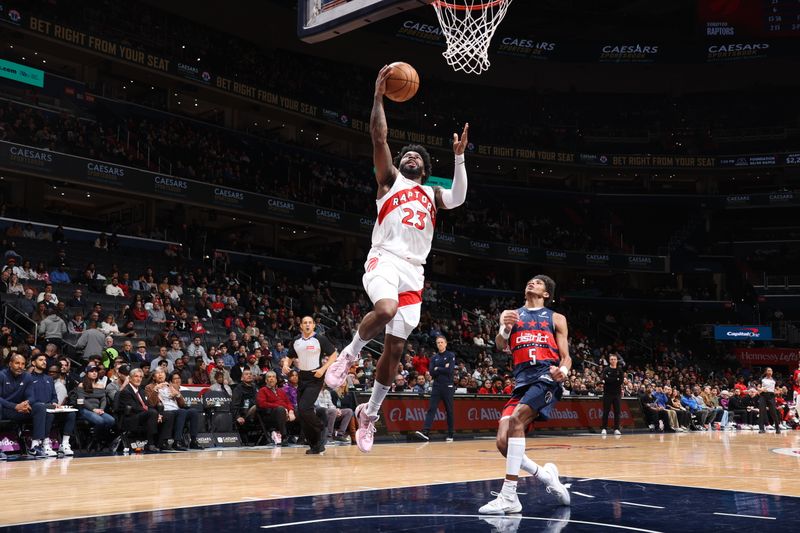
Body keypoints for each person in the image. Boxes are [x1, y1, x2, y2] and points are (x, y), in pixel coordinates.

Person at [324, 65, 470, 454]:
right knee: (385, 309)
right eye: (405, 155)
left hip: (414, 273)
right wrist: (377, 97)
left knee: (395, 351)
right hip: (384, 258)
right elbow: (379, 135)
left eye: (415, 158)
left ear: (425, 168)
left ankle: (369, 414)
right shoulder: (389, 180)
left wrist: (459, 160)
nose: (409, 158)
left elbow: (458, 198)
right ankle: (349, 356)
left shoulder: (434, 193)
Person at [479, 276, 571, 514]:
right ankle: (547, 477)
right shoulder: (512, 314)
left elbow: (566, 356)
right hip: (521, 382)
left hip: (546, 377)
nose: (532, 283)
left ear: (547, 293)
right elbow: (500, 345)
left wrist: (563, 371)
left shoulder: (556, 318)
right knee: (502, 442)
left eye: (538, 282)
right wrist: (503, 328)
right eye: (530, 281)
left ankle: (509, 495)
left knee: (517, 419)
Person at [287, 316, 339, 455]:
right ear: (301, 326)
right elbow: (290, 356)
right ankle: (316, 445)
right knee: (302, 414)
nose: (308, 325)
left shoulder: (320, 339)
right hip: (302, 377)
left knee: (305, 407)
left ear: (314, 325)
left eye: (310, 322)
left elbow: (334, 355)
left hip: (316, 377)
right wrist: (286, 365)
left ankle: (321, 426)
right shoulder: (296, 341)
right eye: (305, 323)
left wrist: (323, 369)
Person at [0, 354, 54, 458]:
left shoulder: (27, 376)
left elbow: (31, 397)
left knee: (39, 406)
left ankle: (35, 446)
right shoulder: (2, 375)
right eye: (17, 363)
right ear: (10, 364)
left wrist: (26, 403)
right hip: (4, 409)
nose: (20, 366)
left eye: (23, 364)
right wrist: (15, 406)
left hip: (20, 410)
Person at [29, 352, 76, 455]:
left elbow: (54, 396)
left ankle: (64, 444)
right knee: (48, 413)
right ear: (33, 362)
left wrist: (55, 402)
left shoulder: (49, 379)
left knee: (71, 414)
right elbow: (30, 398)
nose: (44, 362)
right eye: (41, 360)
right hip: (36, 409)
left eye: (45, 360)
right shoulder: (28, 378)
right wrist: (50, 405)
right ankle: (45, 444)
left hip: (50, 407)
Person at [415, 335, 455, 442]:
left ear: (446, 343)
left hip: (448, 386)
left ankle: (450, 434)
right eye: (438, 343)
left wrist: (438, 368)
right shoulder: (434, 358)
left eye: (442, 342)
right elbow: (432, 372)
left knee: (449, 410)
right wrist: (442, 368)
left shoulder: (451, 355)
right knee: (431, 409)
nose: (440, 344)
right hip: (436, 386)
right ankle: (425, 432)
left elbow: (450, 370)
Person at [117, 368, 160, 453]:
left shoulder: (141, 391)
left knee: (162, 415)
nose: (139, 379)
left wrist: (158, 414)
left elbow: (148, 404)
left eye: (140, 377)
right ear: (130, 378)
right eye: (136, 376)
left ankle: (163, 442)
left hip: (141, 415)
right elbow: (134, 407)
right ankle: (151, 443)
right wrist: (150, 412)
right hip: (130, 417)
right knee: (152, 413)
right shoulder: (126, 391)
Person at [74, 365, 116, 446]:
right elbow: (82, 400)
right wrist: (93, 409)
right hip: (85, 409)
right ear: (87, 373)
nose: (94, 373)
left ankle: (97, 438)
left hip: (98, 410)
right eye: (92, 371)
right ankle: (96, 441)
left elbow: (103, 399)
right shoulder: (81, 385)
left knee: (111, 420)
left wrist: (101, 409)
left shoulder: (100, 385)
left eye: (96, 371)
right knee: (100, 421)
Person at [256, 371, 295, 446]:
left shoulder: (281, 391)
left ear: (276, 380)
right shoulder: (262, 390)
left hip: (285, 412)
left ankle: (303, 438)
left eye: (273, 377)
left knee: (301, 411)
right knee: (280, 409)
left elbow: (288, 403)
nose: (271, 379)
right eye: (269, 377)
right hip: (270, 414)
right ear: (266, 380)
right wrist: (281, 407)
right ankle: (284, 436)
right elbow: (262, 404)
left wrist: (291, 411)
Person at [600, 354, 624, 436]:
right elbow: (605, 379)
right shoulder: (606, 369)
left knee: (617, 412)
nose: (613, 360)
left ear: (617, 360)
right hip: (607, 394)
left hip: (617, 394)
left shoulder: (620, 370)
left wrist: (610, 379)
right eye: (611, 359)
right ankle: (604, 428)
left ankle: (616, 428)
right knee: (606, 411)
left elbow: (620, 381)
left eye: (614, 359)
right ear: (609, 360)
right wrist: (615, 379)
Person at [759, 367, 781, 434]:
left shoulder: (774, 380)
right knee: (762, 412)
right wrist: (761, 389)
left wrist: (778, 391)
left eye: (771, 371)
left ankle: (777, 428)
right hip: (763, 395)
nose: (770, 372)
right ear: (766, 372)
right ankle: (761, 429)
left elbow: (778, 388)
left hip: (771, 396)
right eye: (768, 370)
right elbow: (758, 387)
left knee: (773, 412)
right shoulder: (762, 379)